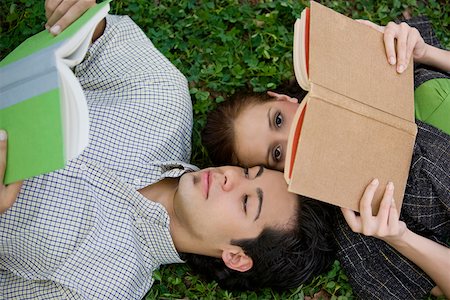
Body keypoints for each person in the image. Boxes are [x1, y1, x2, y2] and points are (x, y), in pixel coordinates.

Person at [0, 1, 335, 298]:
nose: (230, 179)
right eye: (249, 172)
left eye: (247, 202)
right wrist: (80, 15)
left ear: (236, 256)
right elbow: (95, 35)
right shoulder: (164, 103)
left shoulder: (107, 287)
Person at [202, 17, 450, 299]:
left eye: (279, 120)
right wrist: (401, 237)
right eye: (277, 153)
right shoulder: (359, 224)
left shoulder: (367, 62)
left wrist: (427, 53)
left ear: (283, 98)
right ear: (284, 176)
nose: (297, 133)